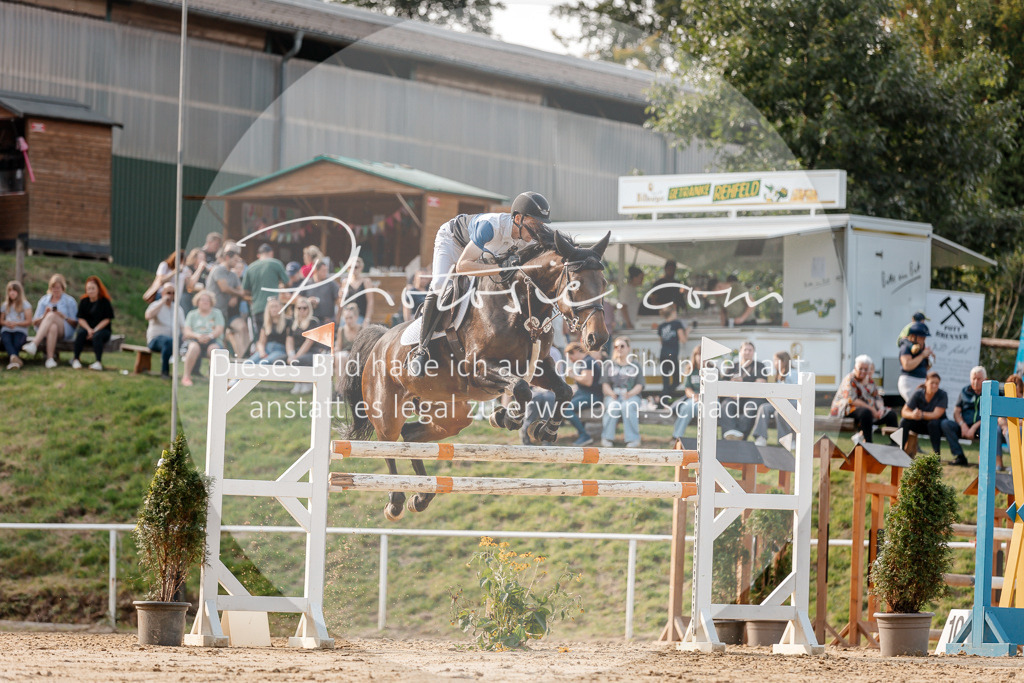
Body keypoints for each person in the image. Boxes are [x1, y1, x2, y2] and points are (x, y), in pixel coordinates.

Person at [407, 191, 550, 377]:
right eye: (534, 224)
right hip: (452, 241)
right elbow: (463, 266)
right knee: (440, 285)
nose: (538, 231)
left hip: (483, 254)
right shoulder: (491, 226)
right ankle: (421, 349)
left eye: (541, 225)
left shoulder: (528, 237)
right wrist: (501, 268)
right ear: (517, 218)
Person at [830, 354, 898, 444]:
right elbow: (852, 400)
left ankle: (895, 444)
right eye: (860, 368)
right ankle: (869, 443)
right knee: (866, 413)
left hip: (869, 409)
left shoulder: (869, 380)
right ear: (855, 367)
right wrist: (872, 409)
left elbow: (877, 396)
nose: (863, 371)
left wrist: (881, 408)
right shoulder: (850, 379)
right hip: (848, 409)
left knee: (891, 414)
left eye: (865, 369)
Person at [23, 273, 78, 369]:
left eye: (58, 287)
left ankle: (34, 344)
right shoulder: (44, 300)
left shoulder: (70, 301)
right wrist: (44, 315)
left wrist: (63, 316)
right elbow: (34, 322)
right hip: (46, 330)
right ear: (50, 288)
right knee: (53, 327)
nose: (56, 290)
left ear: (63, 288)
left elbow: (75, 323)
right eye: (54, 287)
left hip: (65, 330)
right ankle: (50, 359)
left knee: (52, 315)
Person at [751, 351, 804, 447]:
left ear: (783, 361)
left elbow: (797, 392)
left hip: (793, 403)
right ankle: (760, 437)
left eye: (776, 360)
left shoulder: (793, 373)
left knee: (779, 412)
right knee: (764, 407)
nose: (774, 362)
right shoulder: (780, 375)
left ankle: (787, 440)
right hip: (781, 402)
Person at [206, 244, 250, 357]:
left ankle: (239, 359)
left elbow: (242, 291)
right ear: (227, 258)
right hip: (212, 311)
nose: (237, 263)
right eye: (235, 260)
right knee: (214, 340)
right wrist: (236, 293)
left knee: (222, 339)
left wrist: (235, 295)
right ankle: (211, 368)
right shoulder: (218, 270)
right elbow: (224, 288)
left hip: (224, 312)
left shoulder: (233, 275)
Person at [720, 341, 770, 440]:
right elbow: (723, 384)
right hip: (733, 397)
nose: (747, 352)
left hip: (753, 398)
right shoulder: (732, 366)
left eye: (750, 350)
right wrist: (732, 386)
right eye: (745, 350)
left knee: (751, 407)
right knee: (725, 405)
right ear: (740, 352)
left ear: (753, 352)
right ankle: (729, 434)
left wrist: (742, 388)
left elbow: (760, 384)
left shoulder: (759, 366)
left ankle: (739, 435)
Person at [600, 336, 643, 447]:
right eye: (616, 346)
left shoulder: (635, 365)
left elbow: (640, 385)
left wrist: (630, 394)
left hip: (631, 396)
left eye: (622, 346)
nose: (619, 348)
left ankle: (633, 439)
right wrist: (611, 393)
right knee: (613, 407)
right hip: (613, 396)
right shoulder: (609, 365)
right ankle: (607, 438)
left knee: (627, 407)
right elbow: (605, 385)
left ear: (628, 348)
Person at [941, 366, 986, 467]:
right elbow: (956, 412)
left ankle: (983, 462)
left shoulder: (990, 392)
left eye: (979, 378)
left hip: (981, 427)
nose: (976, 381)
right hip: (964, 427)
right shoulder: (965, 391)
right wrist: (962, 425)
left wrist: (974, 428)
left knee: (988, 431)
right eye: (973, 378)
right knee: (945, 424)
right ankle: (960, 456)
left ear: (984, 379)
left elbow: (993, 414)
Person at [70, 276, 114, 371]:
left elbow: (107, 319)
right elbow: (81, 319)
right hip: (87, 329)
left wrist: (94, 330)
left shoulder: (105, 302)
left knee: (97, 336)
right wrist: (89, 330)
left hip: (102, 330)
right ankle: (76, 359)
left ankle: (98, 362)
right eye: (88, 289)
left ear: (98, 289)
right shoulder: (84, 301)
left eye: (93, 288)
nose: (91, 291)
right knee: (81, 333)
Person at [181, 290, 225, 387]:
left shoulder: (217, 313)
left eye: (207, 300)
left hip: (213, 339)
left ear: (211, 302)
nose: (205, 302)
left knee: (213, 350)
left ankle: (215, 378)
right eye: (202, 300)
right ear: (197, 302)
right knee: (193, 348)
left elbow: (219, 329)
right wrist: (197, 336)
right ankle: (186, 377)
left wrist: (209, 336)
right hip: (195, 339)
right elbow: (187, 331)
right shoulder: (192, 314)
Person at [563, 341, 603, 446]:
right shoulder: (586, 361)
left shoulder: (588, 361)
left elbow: (587, 381)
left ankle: (584, 436)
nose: (570, 359)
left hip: (592, 396)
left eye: (570, 356)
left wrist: (573, 375)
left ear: (575, 351)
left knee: (566, 409)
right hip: (585, 394)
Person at [900, 371, 948, 455]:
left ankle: (936, 456)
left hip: (936, 427)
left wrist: (921, 415)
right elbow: (904, 411)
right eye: (932, 383)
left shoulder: (942, 395)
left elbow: (936, 414)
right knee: (904, 421)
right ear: (926, 382)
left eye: (937, 383)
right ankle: (899, 450)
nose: (934, 385)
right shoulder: (918, 393)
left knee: (933, 423)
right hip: (920, 424)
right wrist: (913, 415)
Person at [145, 282, 185, 378]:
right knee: (168, 341)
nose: (171, 296)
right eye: (168, 293)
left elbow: (183, 327)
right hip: (155, 340)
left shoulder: (178, 309)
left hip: (172, 342)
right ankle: (165, 372)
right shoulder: (155, 305)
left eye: (173, 293)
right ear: (163, 293)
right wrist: (162, 302)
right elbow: (148, 316)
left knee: (172, 342)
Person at [242, 243, 289, 325]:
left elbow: (245, 290)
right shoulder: (276, 263)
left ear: (258, 255)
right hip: (273, 309)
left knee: (260, 336)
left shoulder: (251, 267)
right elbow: (288, 283)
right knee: (273, 336)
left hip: (257, 308)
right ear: (271, 253)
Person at [671, 345, 705, 447]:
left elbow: (717, 389)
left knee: (707, 409)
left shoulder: (713, 369)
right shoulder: (691, 369)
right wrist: (694, 395)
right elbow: (687, 389)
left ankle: (706, 441)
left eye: (702, 355)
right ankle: (677, 437)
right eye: (697, 354)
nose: (699, 357)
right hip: (694, 398)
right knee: (687, 407)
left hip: (709, 399)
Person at [287, 296, 320, 393]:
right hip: (297, 350)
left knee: (299, 360)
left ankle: (307, 383)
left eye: (305, 308)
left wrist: (295, 356)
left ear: (309, 309)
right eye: (299, 308)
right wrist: (291, 354)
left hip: (311, 352)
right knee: (283, 359)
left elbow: (308, 342)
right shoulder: (293, 322)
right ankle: (297, 383)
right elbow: (289, 340)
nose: (302, 310)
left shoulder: (313, 321)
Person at [657, 305, 688, 399]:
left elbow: (661, 341)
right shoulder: (677, 324)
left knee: (665, 382)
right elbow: (683, 340)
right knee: (676, 381)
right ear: (673, 312)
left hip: (663, 354)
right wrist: (687, 331)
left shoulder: (661, 326)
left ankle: (662, 400)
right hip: (672, 355)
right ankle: (660, 398)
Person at [898, 321, 934, 401]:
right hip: (910, 381)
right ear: (913, 336)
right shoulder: (906, 347)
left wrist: (930, 359)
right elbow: (907, 365)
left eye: (924, 338)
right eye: (921, 337)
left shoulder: (922, 348)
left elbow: (925, 368)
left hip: (921, 380)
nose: (923, 340)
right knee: (914, 405)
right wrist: (922, 355)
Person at [248, 297, 290, 366]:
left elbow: (289, 341)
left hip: (279, 350)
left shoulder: (287, 322)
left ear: (281, 308)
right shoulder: (266, 324)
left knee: (263, 363)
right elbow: (261, 342)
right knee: (248, 363)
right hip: (267, 348)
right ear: (268, 309)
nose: (274, 309)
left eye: (276, 306)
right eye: (271, 307)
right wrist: (262, 352)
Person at [1, 280, 33, 369]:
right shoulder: (5, 305)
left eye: (14, 290)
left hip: (20, 330)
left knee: (16, 342)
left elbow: (29, 321)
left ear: (19, 292)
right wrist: (6, 323)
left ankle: (13, 359)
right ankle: (16, 360)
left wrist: (17, 324)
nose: (12, 293)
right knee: (6, 340)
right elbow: (1, 320)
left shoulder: (26, 305)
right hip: (7, 330)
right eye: (10, 290)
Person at [997, 374, 1024, 472]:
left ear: (1020, 386)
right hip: (1008, 428)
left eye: (1015, 384)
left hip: (1020, 429)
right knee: (996, 431)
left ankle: (1016, 464)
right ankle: (998, 463)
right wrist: (1004, 426)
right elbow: (1000, 417)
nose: (1013, 387)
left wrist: (1011, 425)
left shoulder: (1022, 400)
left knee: (1011, 432)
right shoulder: (1006, 400)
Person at [340, 257, 375, 325]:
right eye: (350, 267)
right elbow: (341, 303)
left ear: (361, 268)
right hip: (347, 317)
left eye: (355, 267)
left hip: (360, 317)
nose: (353, 270)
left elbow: (370, 302)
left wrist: (367, 319)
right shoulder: (345, 282)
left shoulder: (366, 282)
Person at [306, 258, 340, 325]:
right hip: (310, 320)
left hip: (326, 321)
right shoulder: (308, 283)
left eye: (326, 270)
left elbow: (339, 301)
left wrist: (336, 318)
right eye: (323, 271)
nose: (326, 273)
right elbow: (299, 298)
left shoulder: (331, 284)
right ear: (316, 271)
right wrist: (308, 301)